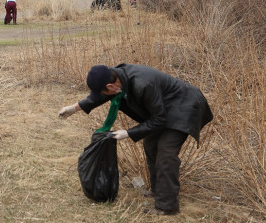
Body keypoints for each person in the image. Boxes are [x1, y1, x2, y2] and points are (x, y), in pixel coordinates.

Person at [58, 64, 213, 216]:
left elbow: (159, 120)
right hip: (165, 108)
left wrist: (128, 133)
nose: (104, 95)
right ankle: (158, 191)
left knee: (166, 152)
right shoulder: (116, 76)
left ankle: (167, 207)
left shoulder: (142, 84)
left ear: (111, 85)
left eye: (105, 91)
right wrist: (74, 108)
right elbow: (100, 95)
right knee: (151, 144)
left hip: (185, 107)